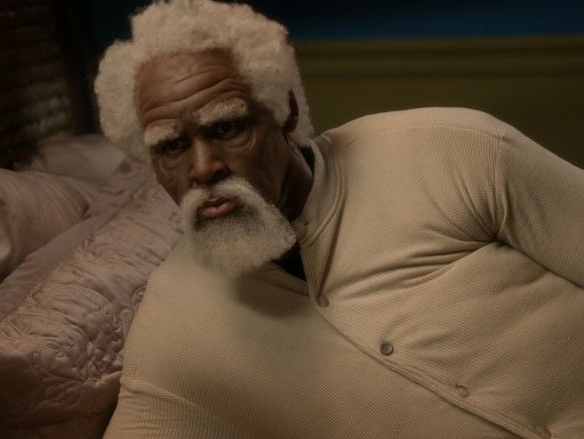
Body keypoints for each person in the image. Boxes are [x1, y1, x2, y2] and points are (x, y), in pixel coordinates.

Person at [94, 1, 584, 437]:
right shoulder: (175, 324)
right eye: (171, 147)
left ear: (284, 110)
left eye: (226, 127)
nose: (202, 168)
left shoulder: (453, 148)